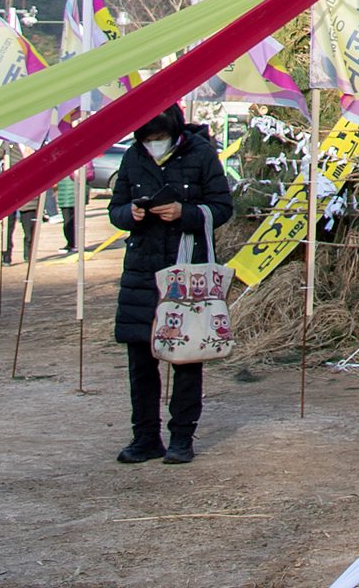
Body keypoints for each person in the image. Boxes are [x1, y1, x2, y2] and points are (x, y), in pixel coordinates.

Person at [109, 104, 233, 465]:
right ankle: (145, 436)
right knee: (140, 361)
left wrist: (186, 213)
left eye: (159, 139)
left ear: (174, 132)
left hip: (187, 271)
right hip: (141, 272)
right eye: (148, 141)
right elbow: (115, 209)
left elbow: (222, 207)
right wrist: (128, 214)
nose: (153, 146)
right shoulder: (133, 157)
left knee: (187, 357)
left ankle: (182, 436)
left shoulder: (202, 153)